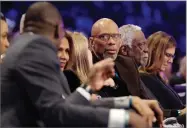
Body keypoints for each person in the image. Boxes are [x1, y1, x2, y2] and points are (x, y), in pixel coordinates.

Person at [1, 2, 163, 127]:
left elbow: (64, 105)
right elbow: (56, 114)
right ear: (58, 30)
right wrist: (125, 118)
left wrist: (127, 102)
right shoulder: (37, 48)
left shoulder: (23, 46)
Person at [89, 18, 150, 99]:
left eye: (115, 36)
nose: (112, 42)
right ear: (91, 42)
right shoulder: (87, 68)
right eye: (104, 37)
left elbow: (145, 99)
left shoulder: (128, 64)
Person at [139, 31, 185, 113]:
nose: (171, 61)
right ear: (154, 52)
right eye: (168, 55)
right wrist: (181, 112)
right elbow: (161, 113)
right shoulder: (144, 78)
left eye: (172, 56)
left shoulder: (155, 76)